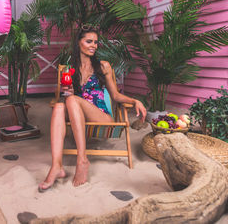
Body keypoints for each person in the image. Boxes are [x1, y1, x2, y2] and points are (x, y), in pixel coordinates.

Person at [38, 25, 147, 192]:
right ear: (79, 43)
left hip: (101, 116)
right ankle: (56, 166)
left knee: (72, 101)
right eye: (89, 41)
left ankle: (82, 159)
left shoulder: (103, 66)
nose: (93, 45)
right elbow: (63, 96)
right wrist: (66, 92)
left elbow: (116, 96)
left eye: (95, 42)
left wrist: (135, 101)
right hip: (77, 115)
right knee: (60, 106)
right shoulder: (69, 69)